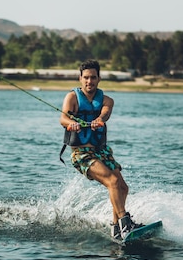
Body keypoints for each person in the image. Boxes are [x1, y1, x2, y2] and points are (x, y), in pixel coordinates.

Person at [59, 59, 142, 240]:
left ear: (99, 79)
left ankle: (116, 228)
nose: (90, 81)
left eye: (93, 78)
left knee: (123, 188)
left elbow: (105, 112)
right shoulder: (72, 98)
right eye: (86, 78)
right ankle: (125, 224)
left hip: (102, 151)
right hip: (81, 154)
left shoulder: (106, 100)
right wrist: (71, 123)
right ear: (80, 78)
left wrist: (100, 119)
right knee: (112, 181)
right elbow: (63, 119)